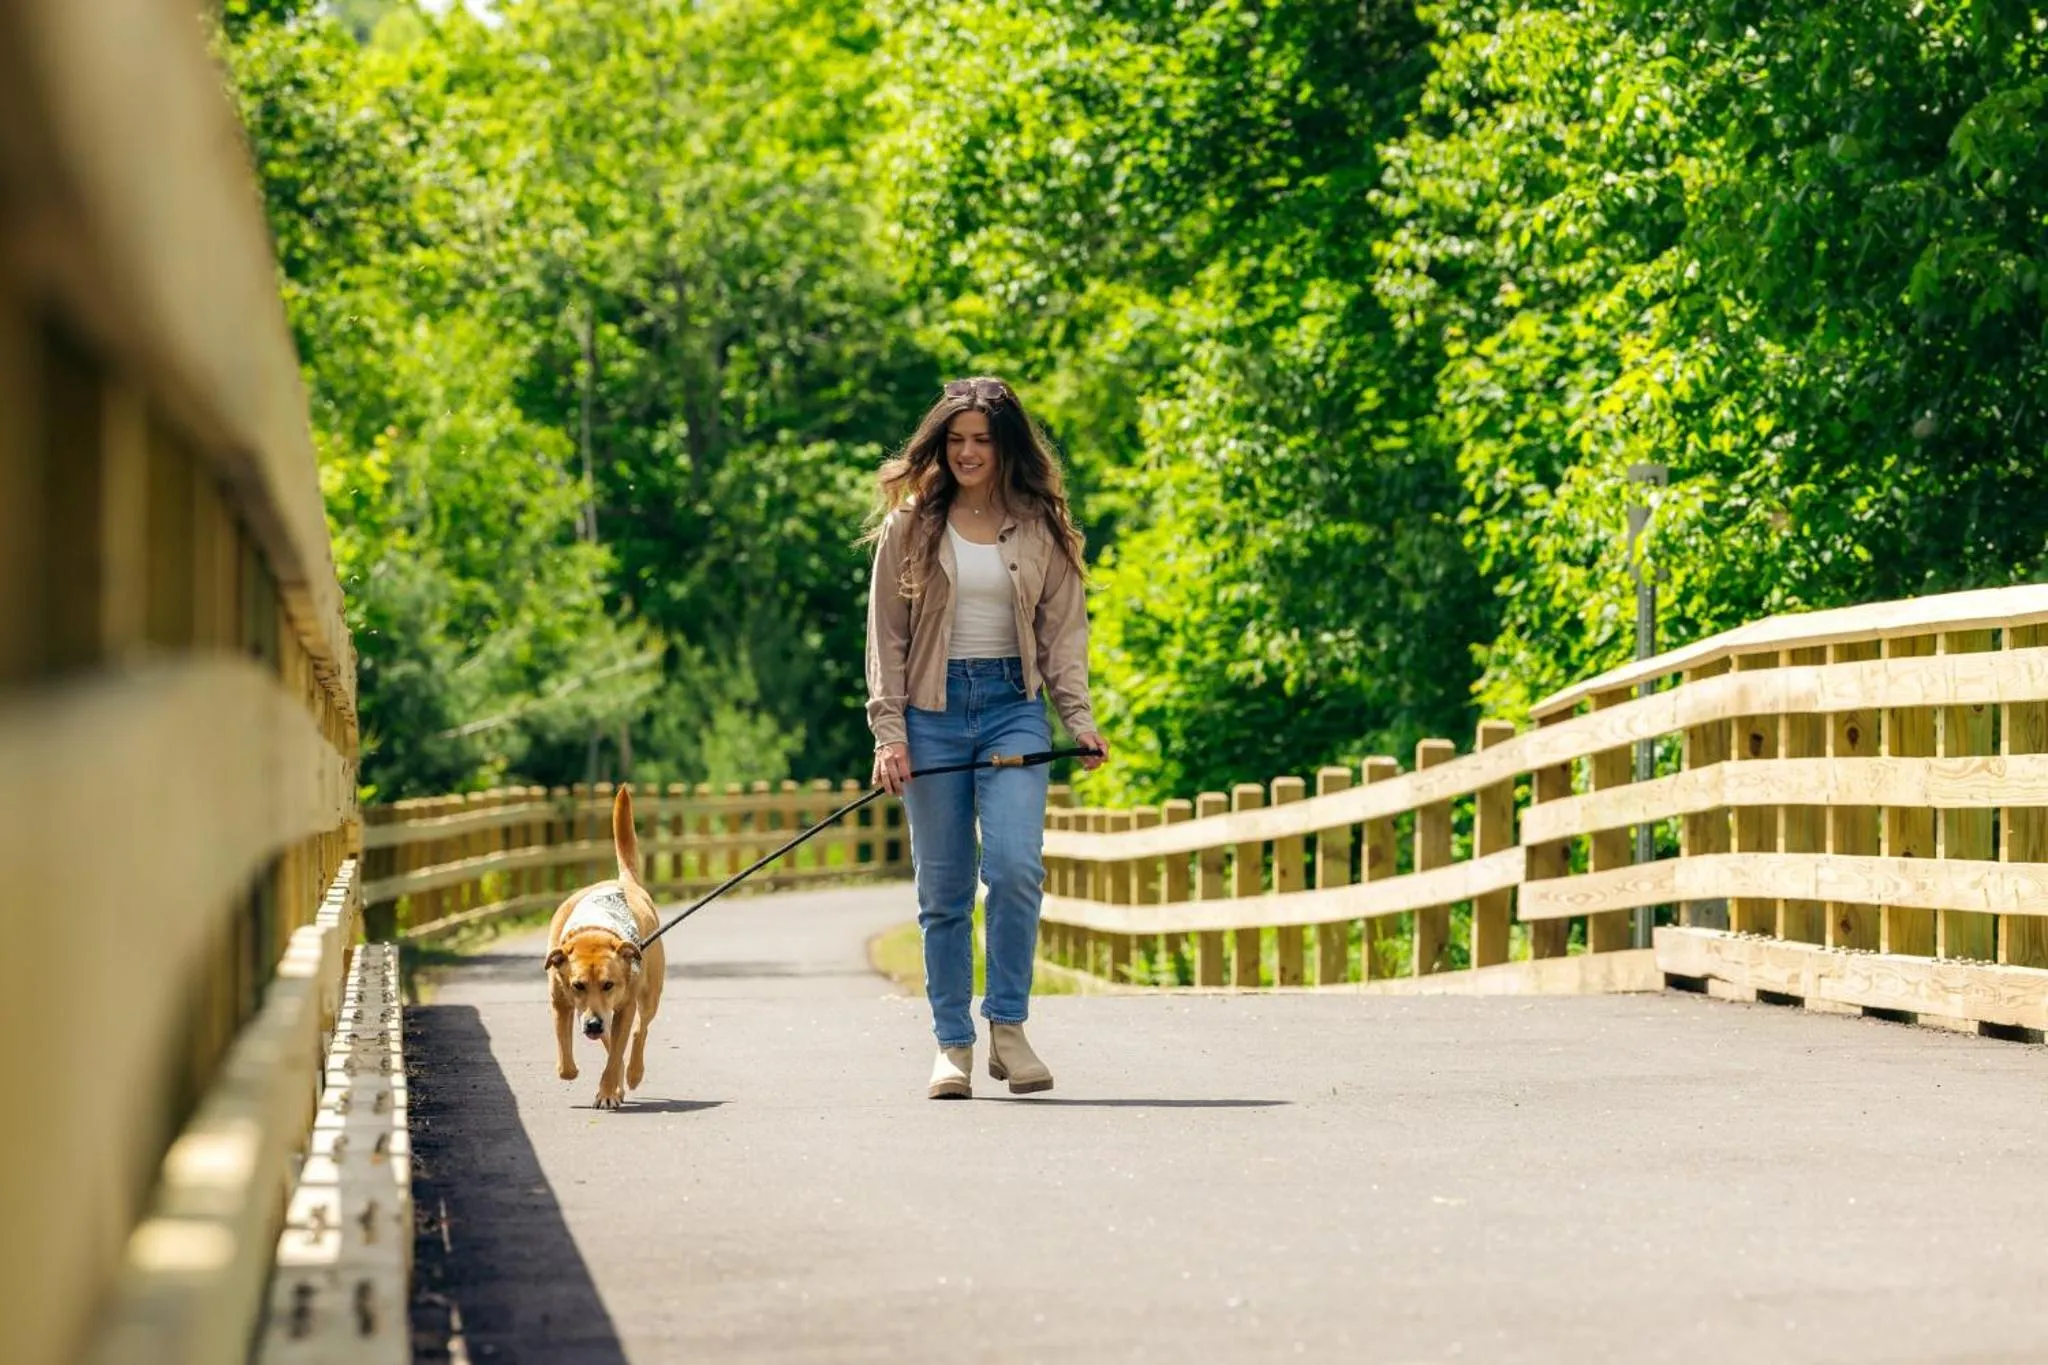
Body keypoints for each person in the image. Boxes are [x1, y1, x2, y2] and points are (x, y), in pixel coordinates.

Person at [863, 376, 1108, 1099]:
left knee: (1012, 866)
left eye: (982, 440)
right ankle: (953, 1045)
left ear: (1005, 447)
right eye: (956, 439)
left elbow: (1064, 635)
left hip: (1013, 708)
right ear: (941, 444)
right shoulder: (908, 525)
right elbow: (886, 638)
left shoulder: (1041, 524)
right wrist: (890, 732)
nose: (968, 452)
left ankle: (1009, 1027)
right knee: (942, 891)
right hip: (931, 714)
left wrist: (1080, 718)